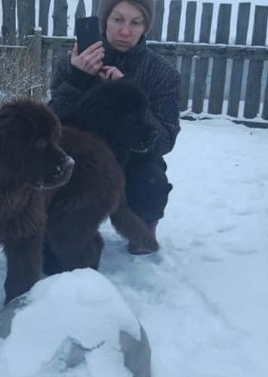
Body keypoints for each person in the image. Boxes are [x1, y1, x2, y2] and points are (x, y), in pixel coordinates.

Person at [48, 0, 181, 254]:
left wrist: (129, 92)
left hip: (132, 160)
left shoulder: (162, 74)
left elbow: (165, 140)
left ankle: (143, 222)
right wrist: (78, 80)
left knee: (150, 184)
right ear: (104, 21)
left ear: (145, 27)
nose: (124, 31)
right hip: (78, 158)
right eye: (117, 20)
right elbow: (51, 124)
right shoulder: (72, 63)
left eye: (135, 22)